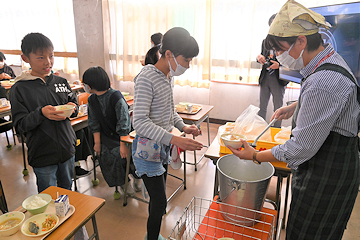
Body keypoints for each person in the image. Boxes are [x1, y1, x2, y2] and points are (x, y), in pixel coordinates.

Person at [229, 1, 360, 239]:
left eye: (280, 50)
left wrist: (256, 156)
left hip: (327, 176)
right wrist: (295, 106)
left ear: (301, 41)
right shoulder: (329, 63)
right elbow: (331, 103)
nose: (278, 56)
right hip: (325, 166)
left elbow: (299, 148)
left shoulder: (323, 82)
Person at [9, 32, 88, 239]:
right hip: (42, 153)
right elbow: (19, 125)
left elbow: (75, 102)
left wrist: (73, 106)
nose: (48, 62)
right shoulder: (19, 89)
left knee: (67, 194)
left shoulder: (61, 81)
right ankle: (51, 232)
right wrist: (41, 113)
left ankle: (71, 232)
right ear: (26, 58)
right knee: (47, 200)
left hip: (67, 148)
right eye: (41, 57)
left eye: (51, 56)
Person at [132, 27, 203, 240]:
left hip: (161, 148)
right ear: (169, 54)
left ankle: (152, 236)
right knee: (160, 202)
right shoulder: (146, 78)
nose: (188, 65)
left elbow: (169, 111)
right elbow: (140, 122)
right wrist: (174, 138)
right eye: (187, 60)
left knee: (158, 200)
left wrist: (183, 127)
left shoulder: (168, 76)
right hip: (146, 151)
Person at [83, 66, 141, 195]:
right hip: (106, 137)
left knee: (126, 155)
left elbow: (124, 123)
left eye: (86, 84)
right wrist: (97, 143)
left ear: (92, 85)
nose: (85, 86)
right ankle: (123, 183)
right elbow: (94, 122)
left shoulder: (116, 97)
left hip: (124, 136)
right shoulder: (92, 99)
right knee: (106, 155)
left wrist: (123, 145)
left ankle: (138, 179)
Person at [257, 14, 288, 128]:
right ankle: (259, 131)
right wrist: (259, 57)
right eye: (272, 24)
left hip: (278, 79)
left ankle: (276, 132)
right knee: (262, 107)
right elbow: (262, 55)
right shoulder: (265, 41)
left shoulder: (287, 42)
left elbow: (292, 63)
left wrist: (279, 66)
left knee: (278, 109)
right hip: (265, 77)